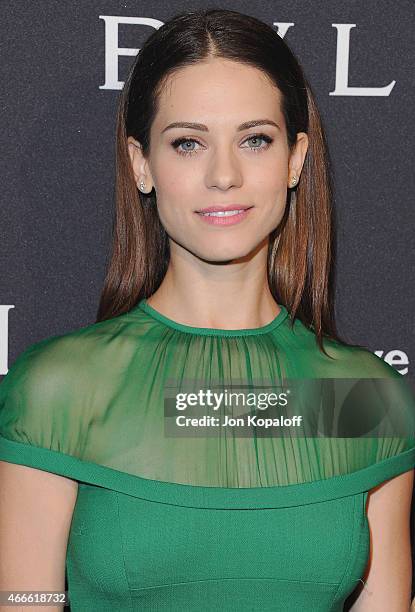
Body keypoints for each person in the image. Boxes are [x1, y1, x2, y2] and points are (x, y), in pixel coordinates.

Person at [0, 8, 414, 612]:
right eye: (189, 143)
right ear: (142, 163)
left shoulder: (363, 399)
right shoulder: (62, 390)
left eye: (255, 140)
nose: (224, 175)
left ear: (295, 159)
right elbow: (25, 603)